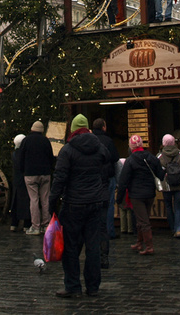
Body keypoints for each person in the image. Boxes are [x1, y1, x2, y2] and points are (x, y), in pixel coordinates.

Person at [49, 114, 111, 298]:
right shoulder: (99, 147)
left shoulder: (67, 150)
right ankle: (93, 286)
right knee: (92, 246)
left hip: (73, 203)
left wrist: (52, 204)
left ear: (73, 129)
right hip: (94, 202)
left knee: (71, 247)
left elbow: (59, 179)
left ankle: (73, 286)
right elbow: (107, 161)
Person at [116, 134, 163, 256]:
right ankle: (139, 242)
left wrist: (119, 198)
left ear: (131, 147)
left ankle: (149, 246)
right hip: (150, 193)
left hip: (137, 195)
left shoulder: (130, 160)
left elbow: (123, 181)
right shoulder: (151, 158)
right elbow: (161, 174)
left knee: (143, 221)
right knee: (142, 218)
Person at [91, 118, 120, 267]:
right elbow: (115, 158)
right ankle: (108, 231)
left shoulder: (90, 140)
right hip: (106, 177)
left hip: (93, 178)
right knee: (107, 206)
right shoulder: (107, 141)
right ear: (103, 127)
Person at [19, 120, 54, 235]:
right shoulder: (46, 141)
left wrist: (23, 170)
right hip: (45, 173)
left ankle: (35, 227)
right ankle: (46, 225)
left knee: (34, 200)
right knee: (45, 199)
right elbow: (51, 157)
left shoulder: (26, 141)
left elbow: (21, 158)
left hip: (30, 174)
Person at [157, 133, 180, 238]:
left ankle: (172, 228)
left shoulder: (160, 156)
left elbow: (158, 171)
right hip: (179, 184)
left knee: (169, 206)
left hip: (167, 186)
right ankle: (178, 229)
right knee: (178, 207)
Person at [10, 134, 32, 232]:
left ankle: (14, 223)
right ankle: (26, 224)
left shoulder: (14, 154)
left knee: (15, 202)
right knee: (27, 202)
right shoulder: (26, 154)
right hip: (25, 179)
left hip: (16, 180)